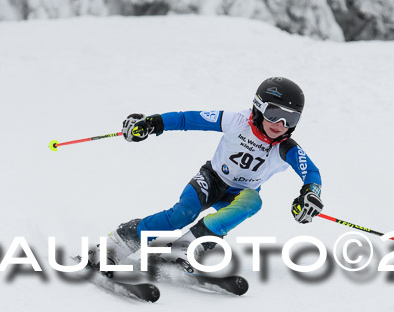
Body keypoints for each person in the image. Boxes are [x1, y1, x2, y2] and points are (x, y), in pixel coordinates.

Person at [91, 77, 324, 272]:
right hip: (211, 180)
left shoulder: (286, 148)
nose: (281, 124)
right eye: (274, 114)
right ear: (258, 107)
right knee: (182, 214)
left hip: (240, 193)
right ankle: (117, 244)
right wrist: (153, 123)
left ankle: (188, 246)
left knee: (253, 201)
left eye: (290, 118)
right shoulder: (237, 121)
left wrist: (310, 194)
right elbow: (187, 119)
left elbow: (311, 172)